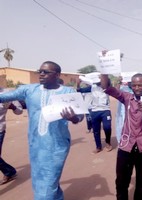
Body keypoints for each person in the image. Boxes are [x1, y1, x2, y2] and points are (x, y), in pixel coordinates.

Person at [0, 61, 83, 200]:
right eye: (40, 71)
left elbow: (80, 117)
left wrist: (73, 118)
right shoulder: (29, 90)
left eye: (46, 72)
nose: (41, 74)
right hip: (35, 143)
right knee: (40, 178)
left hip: (57, 145)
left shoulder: (68, 92)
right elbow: (4, 96)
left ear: (57, 74)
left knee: (48, 181)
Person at [100, 72, 142, 200]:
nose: (137, 88)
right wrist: (104, 68)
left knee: (141, 182)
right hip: (126, 146)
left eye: (140, 85)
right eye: (134, 85)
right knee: (121, 181)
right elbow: (107, 88)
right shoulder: (126, 97)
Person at [77, 77, 113, 153]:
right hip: (95, 111)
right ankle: (98, 146)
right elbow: (79, 90)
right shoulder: (92, 87)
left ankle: (108, 142)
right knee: (96, 130)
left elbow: (108, 81)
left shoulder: (107, 86)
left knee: (107, 127)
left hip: (105, 110)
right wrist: (78, 83)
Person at [115, 76, 133, 144]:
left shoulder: (138, 89)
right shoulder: (123, 88)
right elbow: (116, 92)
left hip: (133, 113)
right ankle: (122, 142)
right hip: (122, 111)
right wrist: (119, 82)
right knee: (122, 126)